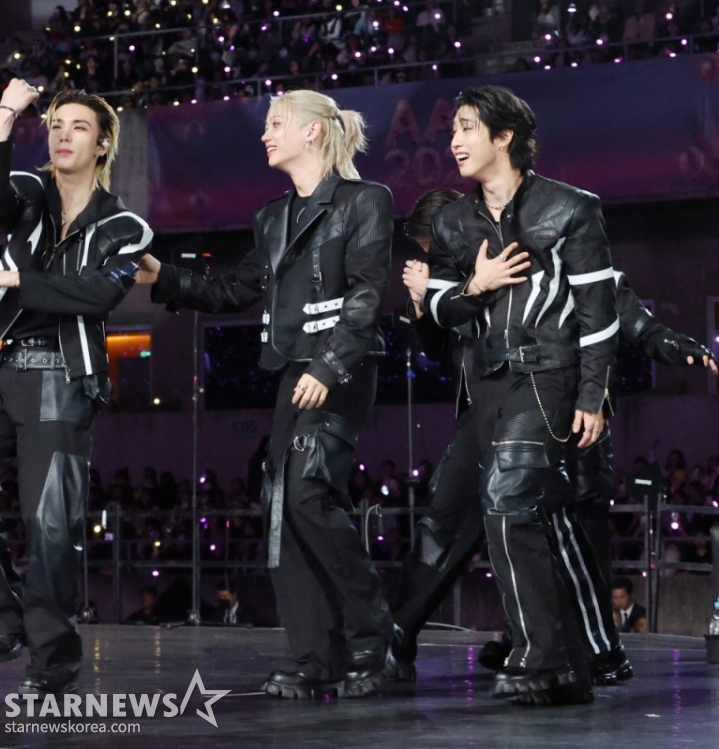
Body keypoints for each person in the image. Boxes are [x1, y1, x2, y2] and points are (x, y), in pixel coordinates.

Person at [392, 188, 716, 686]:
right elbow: (438, 345)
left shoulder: (552, 257)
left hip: (563, 422)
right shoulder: (461, 281)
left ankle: (591, 650)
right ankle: (416, 635)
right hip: (489, 420)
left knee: (562, 536)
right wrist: (425, 303)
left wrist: (674, 346)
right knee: (473, 527)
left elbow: (625, 315)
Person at [138, 89, 395, 701]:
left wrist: (328, 365)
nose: (265, 133)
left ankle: (373, 636)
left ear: (312, 131)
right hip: (292, 372)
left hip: (341, 368)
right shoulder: (272, 217)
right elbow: (234, 289)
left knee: (306, 494)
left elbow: (366, 296)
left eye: (276, 123)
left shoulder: (365, 200)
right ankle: (317, 657)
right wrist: (164, 276)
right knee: (281, 506)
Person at [0, 80, 152, 696]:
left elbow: (98, 294)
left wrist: (18, 283)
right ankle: (4, 616)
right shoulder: (31, 195)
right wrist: (6, 116)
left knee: (52, 523)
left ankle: (53, 660)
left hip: (62, 377)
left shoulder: (124, 225)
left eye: (78, 126)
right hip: (2, 369)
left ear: (103, 143)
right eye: (55, 125)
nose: (62, 134)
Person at [420, 85, 618, 705]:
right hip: (486, 384)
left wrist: (592, 395)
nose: (455, 140)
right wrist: (473, 286)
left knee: (508, 500)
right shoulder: (452, 221)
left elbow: (599, 315)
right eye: (453, 129)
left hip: (548, 376)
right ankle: (566, 668)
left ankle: (540, 655)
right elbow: (438, 310)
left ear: (504, 136)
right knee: (501, 510)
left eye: (467, 127)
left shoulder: (572, 208)